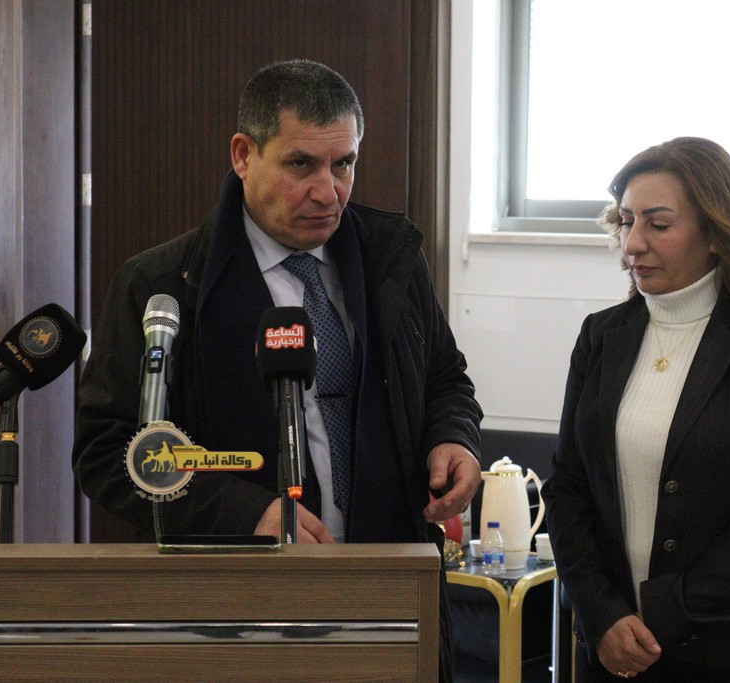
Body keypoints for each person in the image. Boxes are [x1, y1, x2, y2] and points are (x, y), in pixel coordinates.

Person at [73, 59, 482, 680]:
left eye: (343, 164)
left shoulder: (390, 257)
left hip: (390, 594)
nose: (328, 191)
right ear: (243, 155)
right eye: (301, 165)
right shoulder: (161, 286)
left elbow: (445, 379)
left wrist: (455, 438)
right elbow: (108, 452)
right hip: (236, 610)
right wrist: (247, 516)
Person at [541, 137, 730, 682]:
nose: (633, 244)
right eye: (626, 222)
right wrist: (602, 614)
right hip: (612, 645)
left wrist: (660, 615)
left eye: (658, 224)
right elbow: (567, 487)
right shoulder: (601, 336)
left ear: (716, 233)